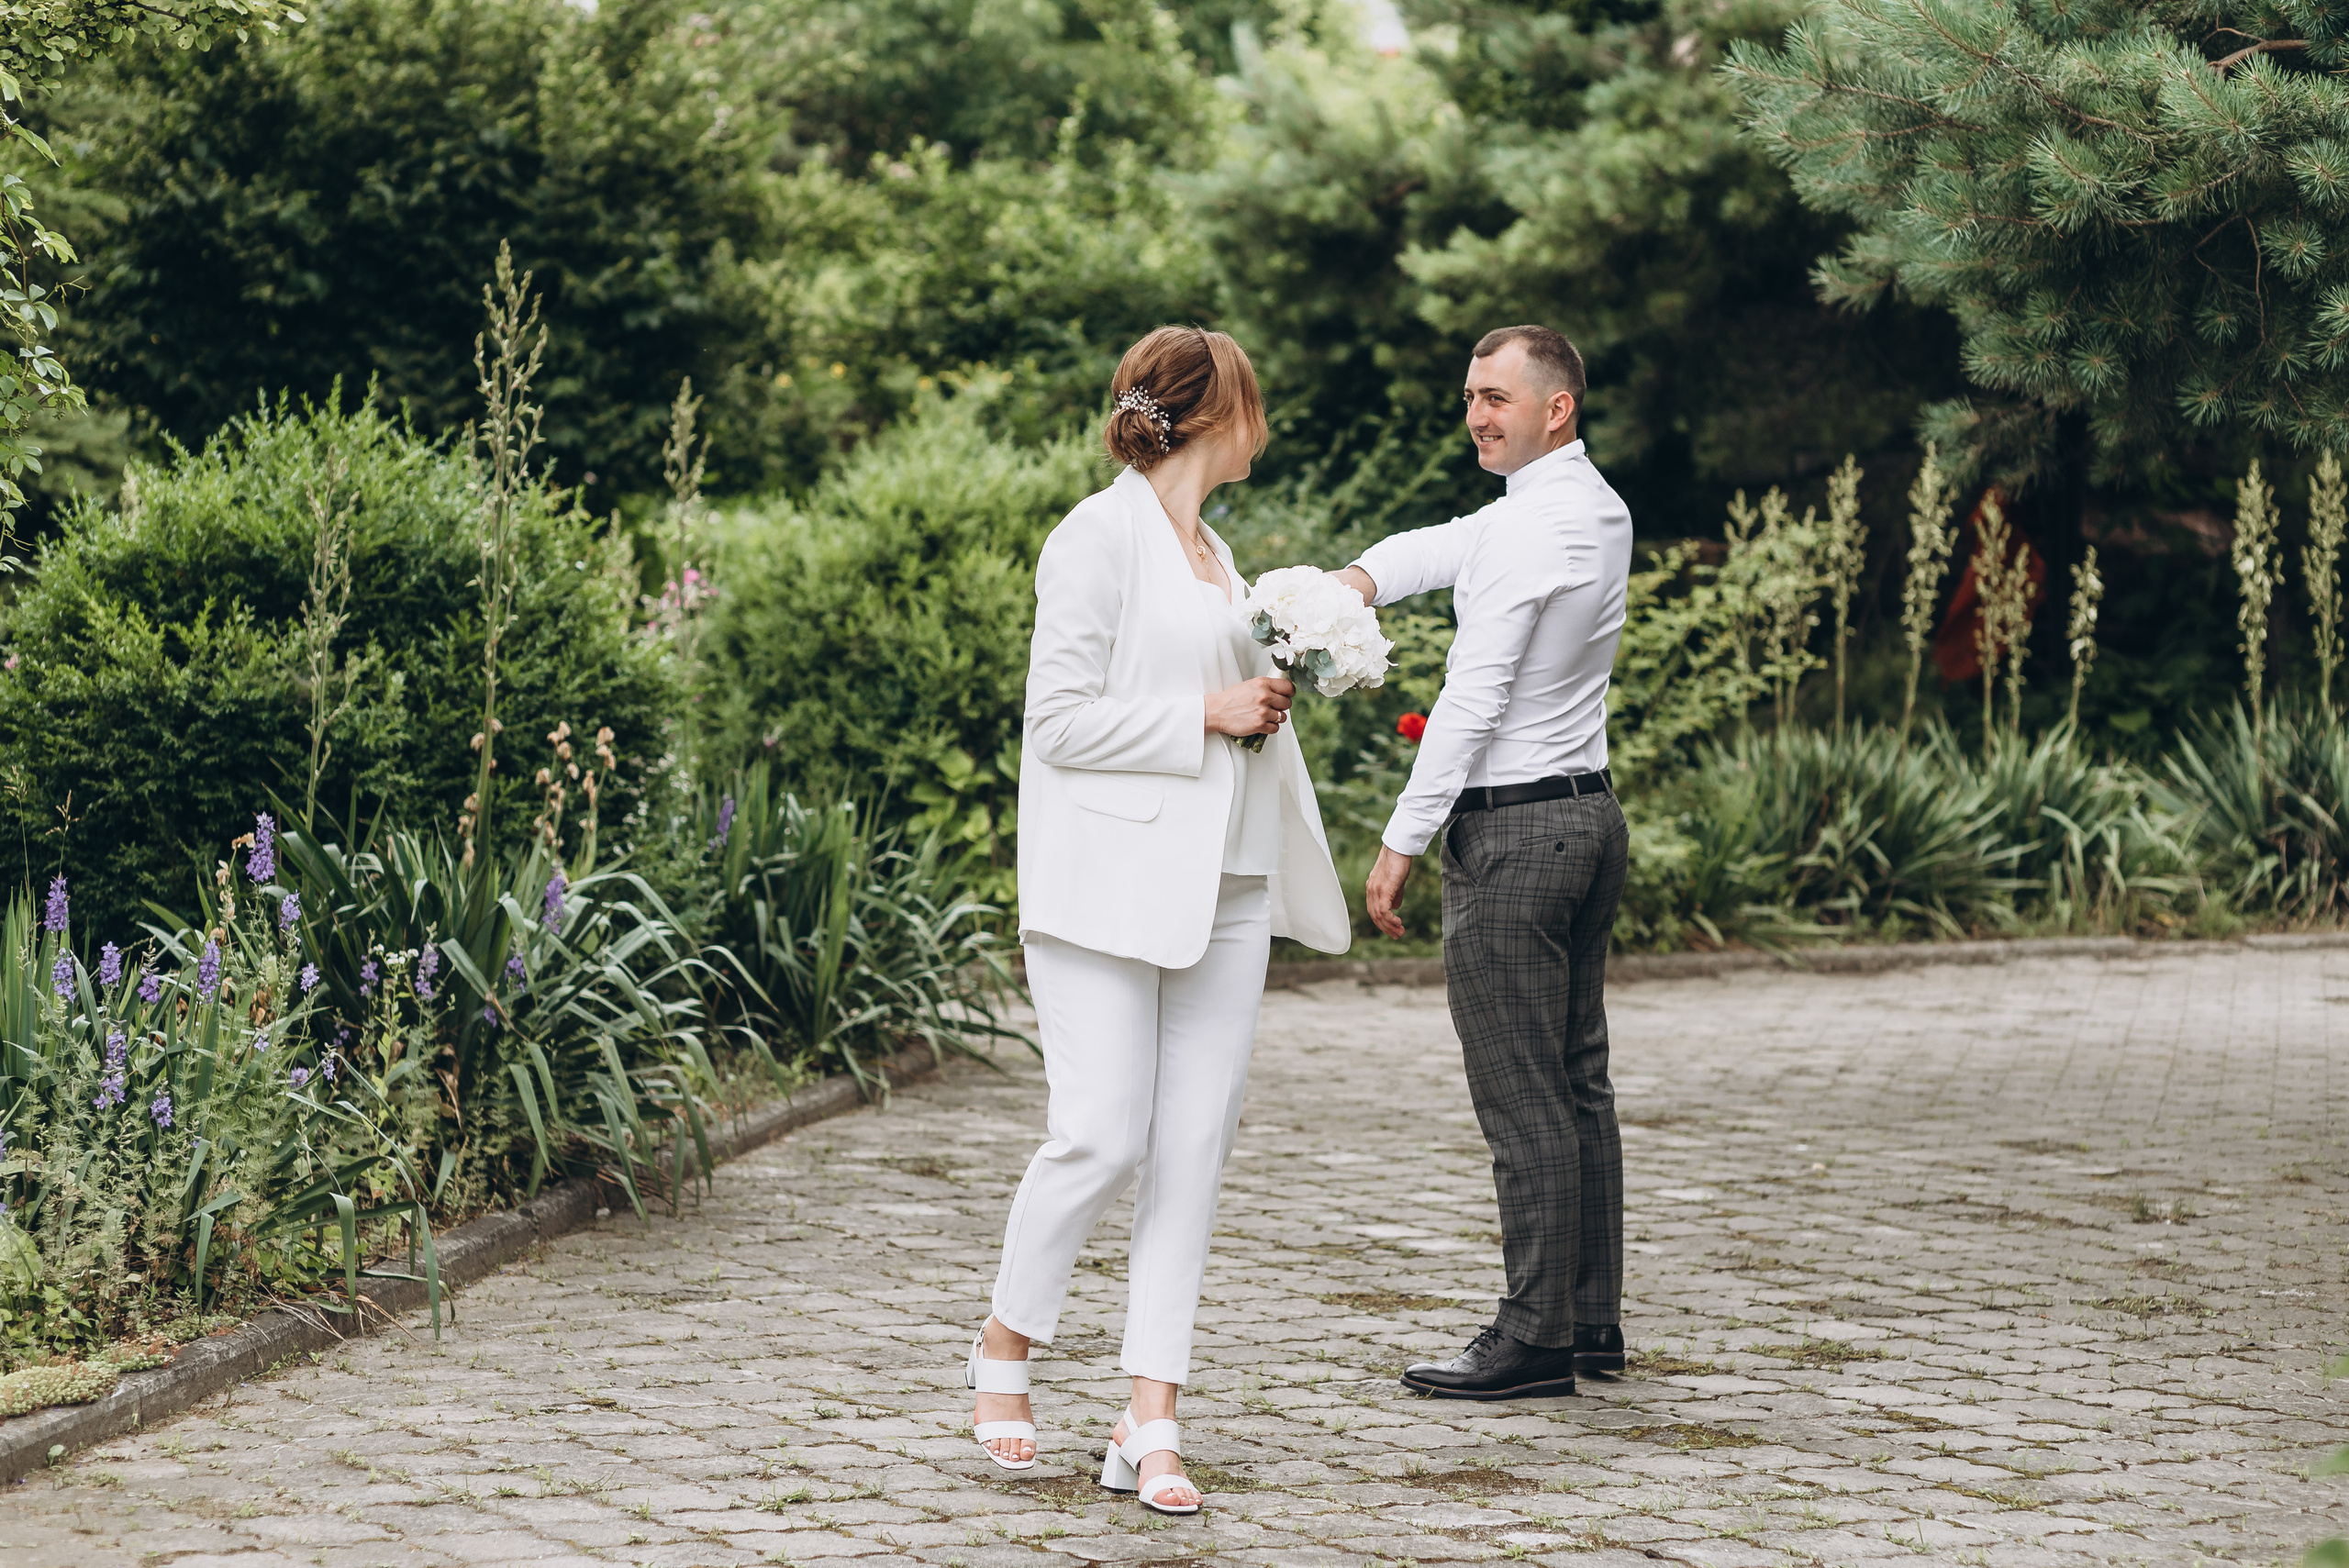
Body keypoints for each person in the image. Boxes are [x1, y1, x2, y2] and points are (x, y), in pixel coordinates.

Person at [965, 326, 1353, 1511]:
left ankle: (1152, 1418)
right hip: (1102, 892)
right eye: (1255, 399)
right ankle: (1005, 1347)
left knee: (1191, 1152)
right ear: (1215, 411)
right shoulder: (1096, 536)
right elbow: (1061, 722)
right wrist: (1208, 710)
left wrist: (1268, 702)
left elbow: (1229, 711)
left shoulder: (1223, 557)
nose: (1266, 420)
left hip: (1227, 889)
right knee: (1099, 1135)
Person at [1332, 324, 1633, 1401]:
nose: (1476, 413)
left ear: (1557, 407)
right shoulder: (1587, 506)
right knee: (1576, 1084)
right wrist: (1353, 582)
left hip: (1514, 836)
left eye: (1497, 396)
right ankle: (1588, 1316)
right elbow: (1442, 543)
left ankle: (1533, 1334)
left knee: (1523, 1099)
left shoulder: (1530, 530)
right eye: (1469, 393)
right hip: (1588, 817)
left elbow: (1472, 697)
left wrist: (1401, 839)